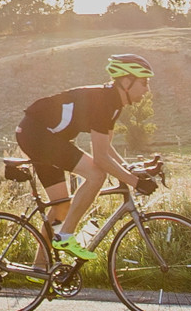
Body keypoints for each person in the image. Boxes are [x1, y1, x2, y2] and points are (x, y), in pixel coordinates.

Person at [15, 54, 154, 258]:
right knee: (97, 174)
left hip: (43, 135)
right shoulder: (103, 103)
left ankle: (40, 268)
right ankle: (65, 236)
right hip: (37, 134)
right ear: (126, 81)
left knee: (61, 204)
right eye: (144, 82)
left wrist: (131, 169)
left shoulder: (114, 104)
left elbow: (106, 148)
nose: (147, 89)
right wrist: (135, 182)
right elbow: (101, 159)